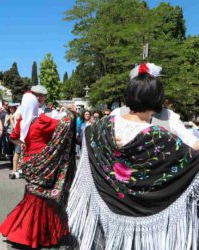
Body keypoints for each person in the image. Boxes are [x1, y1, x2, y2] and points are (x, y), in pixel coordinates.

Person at [67, 63, 199, 250]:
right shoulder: (160, 137)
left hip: (108, 209)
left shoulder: (100, 127)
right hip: (147, 220)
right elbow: (191, 158)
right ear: (157, 99)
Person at [0, 92, 76, 248]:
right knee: (43, 200)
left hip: (28, 163)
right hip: (44, 163)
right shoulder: (42, 121)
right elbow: (64, 126)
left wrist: (23, 145)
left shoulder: (21, 121)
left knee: (33, 197)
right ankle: (36, 234)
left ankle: (22, 231)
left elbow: (13, 137)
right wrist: (70, 113)